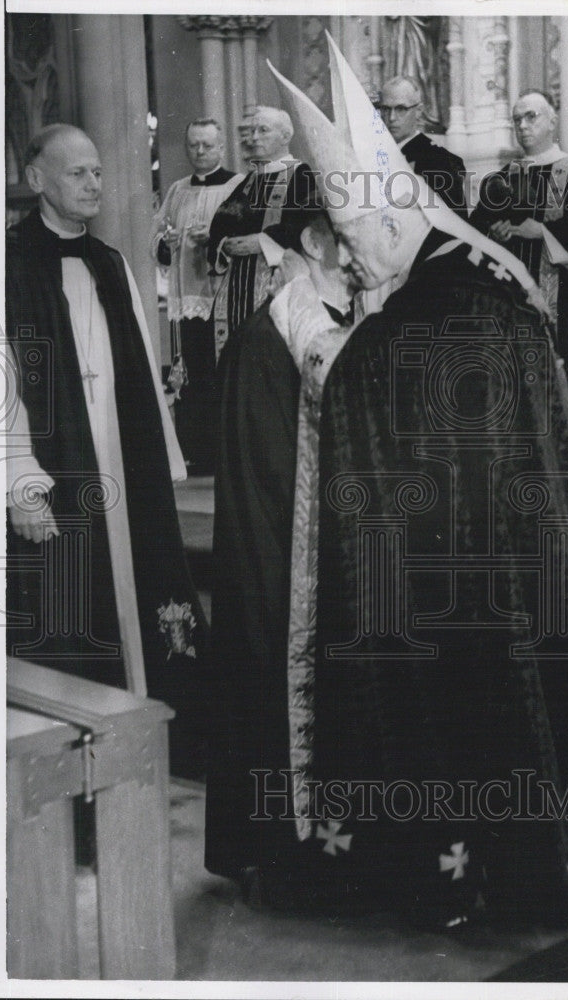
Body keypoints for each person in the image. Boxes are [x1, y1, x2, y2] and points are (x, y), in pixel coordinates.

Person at [261, 35, 568, 931]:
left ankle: (444, 877)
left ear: (395, 230)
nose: (357, 271)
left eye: (361, 253)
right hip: (531, 586)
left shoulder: (368, 356)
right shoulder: (512, 315)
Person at [6, 123, 208, 777]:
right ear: (37, 181)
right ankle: (79, 761)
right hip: (56, 467)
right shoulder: (6, 265)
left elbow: (145, 369)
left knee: (134, 587)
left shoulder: (109, 261)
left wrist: (165, 461)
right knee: (73, 603)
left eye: (98, 172)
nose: (94, 184)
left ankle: (146, 739)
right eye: (78, 173)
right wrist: (20, 482)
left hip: (122, 461)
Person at [205, 206, 355, 893]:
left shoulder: (337, 308)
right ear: (314, 241)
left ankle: (334, 847)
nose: (360, 254)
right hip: (285, 551)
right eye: (349, 238)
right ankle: (287, 854)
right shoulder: (278, 329)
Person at [470, 89, 568, 412]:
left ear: (553, 120)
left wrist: (544, 232)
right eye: (517, 118)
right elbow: (475, 231)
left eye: (531, 116)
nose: (522, 125)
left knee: (563, 400)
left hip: (565, 300)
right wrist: (494, 233)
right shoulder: (502, 179)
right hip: (512, 304)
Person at [150, 118, 240, 474]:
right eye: (193, 145)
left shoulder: (237, 186)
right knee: (191, 373)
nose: (199, 152)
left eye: (206, 145)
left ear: (220, 147)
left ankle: (224, 452)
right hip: (187, 296)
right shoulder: (176, 190)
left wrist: (215, 237)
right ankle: (197, 451)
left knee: (221, 371)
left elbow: (243, 236)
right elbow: (156, 236)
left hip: (223, 296)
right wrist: (165, 244)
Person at [206, 106, 317, 356]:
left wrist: (264, 241)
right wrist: (224, 244)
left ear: (285, 136)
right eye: (252, 130)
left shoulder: (302, 175)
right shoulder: (249, 180)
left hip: (278, 287)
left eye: (263, 130)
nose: (254, 137)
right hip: (236, 291)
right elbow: (219, 223)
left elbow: (308, 227)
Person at [379, 75, 467, 217]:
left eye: (401, 109)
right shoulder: (374, 156)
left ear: (419, 111)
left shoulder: (440, 161)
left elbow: (454, 228)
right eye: (386, 109)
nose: (391, 118)